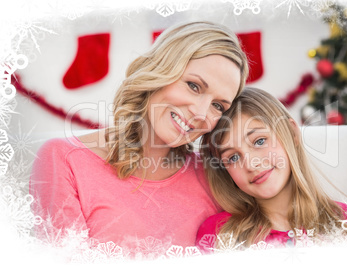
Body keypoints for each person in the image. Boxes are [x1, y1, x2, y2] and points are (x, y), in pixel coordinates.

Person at [30, 21, 249, 257]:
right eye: (193, 86)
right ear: (159, 72)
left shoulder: (214, 176)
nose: (200, 113)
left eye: (218, 105)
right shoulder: (64, 159)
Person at [196, 87, 347, 253]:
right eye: (233, 158)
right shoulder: (218, 235)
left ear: (292, 133)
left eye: (259, 141)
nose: (251, 165)